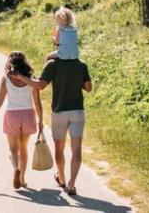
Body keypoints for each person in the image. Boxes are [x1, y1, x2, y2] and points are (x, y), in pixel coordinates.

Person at [12, 53, 92, 196]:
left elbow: (40, 85)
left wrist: (21, 77)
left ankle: (61, 178)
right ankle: (71, 184)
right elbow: (88, 87)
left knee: (59, 149)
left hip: (59, 113)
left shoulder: (53, 64)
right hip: (78, 111)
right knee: (77, 149)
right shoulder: (82, 65)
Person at [0, 51, 44, 189]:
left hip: (12, 115)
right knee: (23, 149)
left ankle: (15, 168)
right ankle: (22, 178)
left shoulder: (5, 79)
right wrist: (41, 120)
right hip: (28, 115)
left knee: (12, 149)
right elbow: (37, 102)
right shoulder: (31, 79)